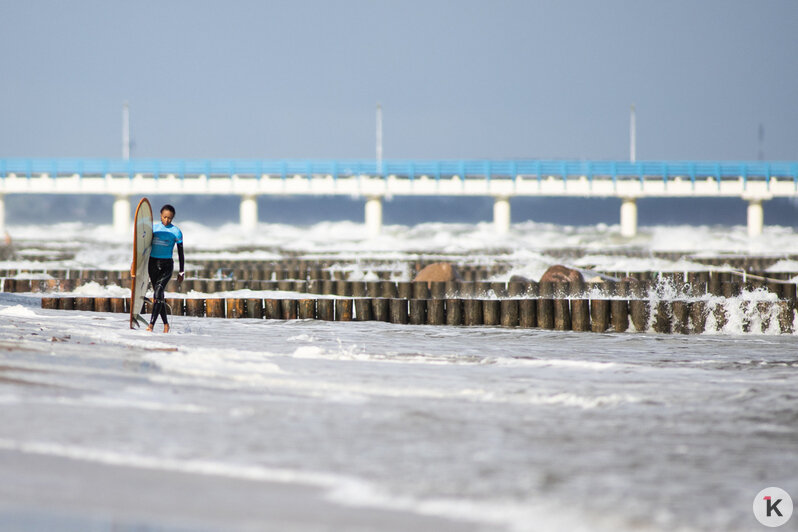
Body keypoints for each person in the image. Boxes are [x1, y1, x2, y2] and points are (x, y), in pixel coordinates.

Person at [147, 204, 185, 333]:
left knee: (157, 293)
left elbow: (181, 253)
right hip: (152, 264)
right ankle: (166, 325)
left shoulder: (176, 232)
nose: (167, 220)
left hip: (167, 265)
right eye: (165, 217)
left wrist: (181, 271)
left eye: (170, 218)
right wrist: (134, 263)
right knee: (159, 296)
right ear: (160, 215)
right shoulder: (153, 229)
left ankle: (151, 325)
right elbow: (142, 248)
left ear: (172, 218)